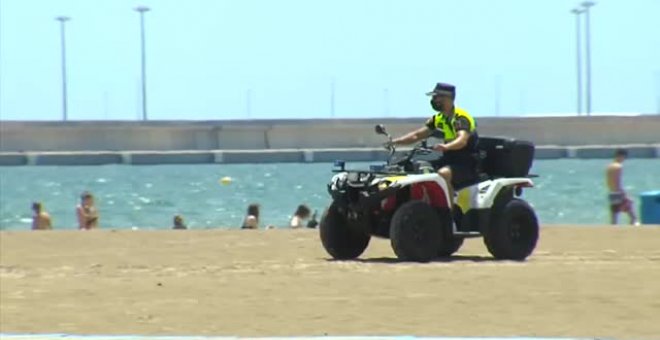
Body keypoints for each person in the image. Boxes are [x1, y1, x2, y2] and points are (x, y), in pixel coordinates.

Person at [387, 83, 478, 207]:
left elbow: (462, 140)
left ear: (448, 98)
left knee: (443, 174)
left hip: (466, 162)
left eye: (436, 97)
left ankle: (448, 213)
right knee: (421, 168)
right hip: (448, 158)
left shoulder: (461, 117)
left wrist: (446, 147)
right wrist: (396, 142)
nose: (433, 100)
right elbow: (417, 135)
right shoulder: (438, 118)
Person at [606, 149, 639, 226]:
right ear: (621, 156)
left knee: (614, 213)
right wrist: (624, 194)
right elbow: (618, 181)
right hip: (618, 192)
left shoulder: (609, 166)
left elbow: (609, 181)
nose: (624, 160)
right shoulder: (618, 166)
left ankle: (614, 228)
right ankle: (635, 223)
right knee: (629, 207)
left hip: (611, 192)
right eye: (624, 157)